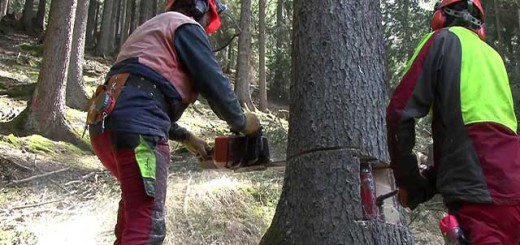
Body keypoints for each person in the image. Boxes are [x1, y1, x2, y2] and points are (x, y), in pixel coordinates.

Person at [87, 0, 261, 244]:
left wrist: (185, 137)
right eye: (208, 20)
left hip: (105, 126)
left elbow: (137, 93)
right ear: (200, 8)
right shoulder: (185, 26)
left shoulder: (153, 29)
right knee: (147, 228)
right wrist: (242, 122)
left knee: (134, 217)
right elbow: (213, 82)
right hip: (139, 136)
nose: (206, 27)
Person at [386, 0, 520, 244]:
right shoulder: (494, 58)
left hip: (479, 202)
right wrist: (427, 185)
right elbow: (474, 137)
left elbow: (399, 114)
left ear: (440, 18)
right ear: (480, 27)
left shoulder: (441, 40)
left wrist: (408, 181)